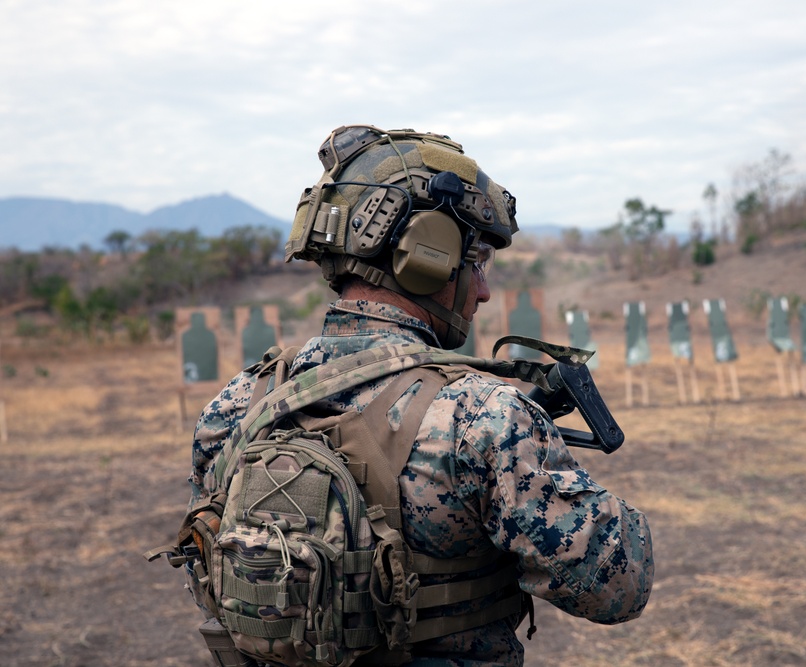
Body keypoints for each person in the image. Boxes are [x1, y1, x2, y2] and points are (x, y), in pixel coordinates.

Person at [187, 125, 653, 666]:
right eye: (475, 261)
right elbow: (619, 586)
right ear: (426, 256)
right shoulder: (485, 416)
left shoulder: (239, 404)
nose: (482, 289)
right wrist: (531, 449)